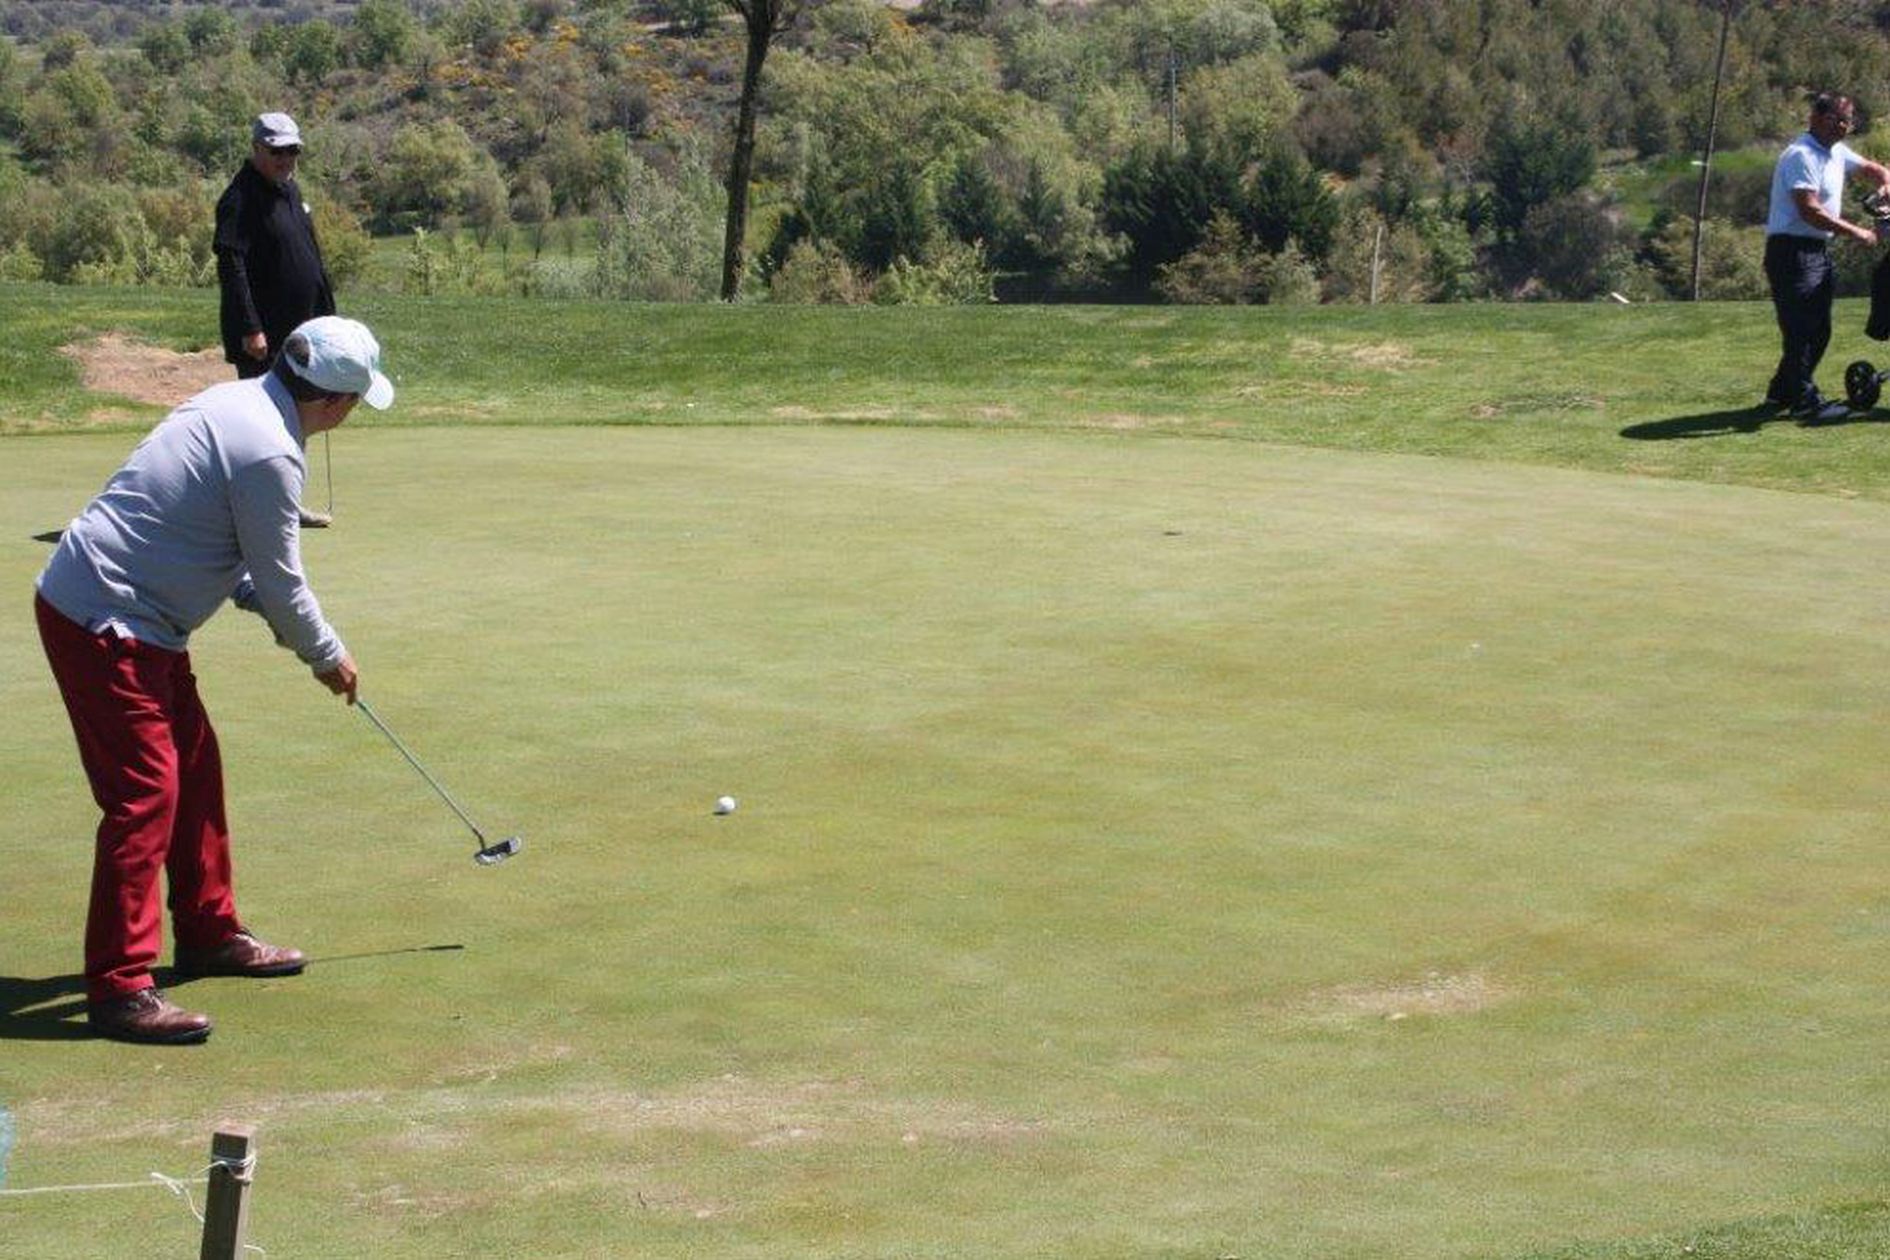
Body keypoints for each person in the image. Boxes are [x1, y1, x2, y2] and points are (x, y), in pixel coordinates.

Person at [35, 317, 394, 1045]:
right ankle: (120, 987)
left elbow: (227, 554)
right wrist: (325, 654)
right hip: (106, 619)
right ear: (334, 402)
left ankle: (207, 932)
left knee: (194, 768)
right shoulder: (269, 450)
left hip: (140, 620)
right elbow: (282, 581)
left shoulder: (238, 402)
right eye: (356, 403)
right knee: (146, 794)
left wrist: (286, 624)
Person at [214, 112, 338, 525]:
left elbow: (310, 257)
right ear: (256, 149)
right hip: (263, 336)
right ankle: (250, 507)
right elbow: (232, 266)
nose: (286, 159)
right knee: (264, 424)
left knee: (295, 418)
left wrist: (327, 317)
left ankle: (285, 503)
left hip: (301, 331)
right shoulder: (239, 198)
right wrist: (250, 327)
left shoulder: (290, 190)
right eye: (277, 151)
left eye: (292, 151)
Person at [1763, 92, 1890, 423]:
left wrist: (1885, 184)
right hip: (1791, 250)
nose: (1843, 126)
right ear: (1816, 118)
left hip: (1816, 251)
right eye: (1836, 119)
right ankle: (1805, 401)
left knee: (1818, 330)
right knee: (1802, 329)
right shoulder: (1802, 155)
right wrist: (1858, 232)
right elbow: (1810, 211)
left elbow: (1876, 170)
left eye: (1847, 121)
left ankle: (1783, 390)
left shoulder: (1835, 152)